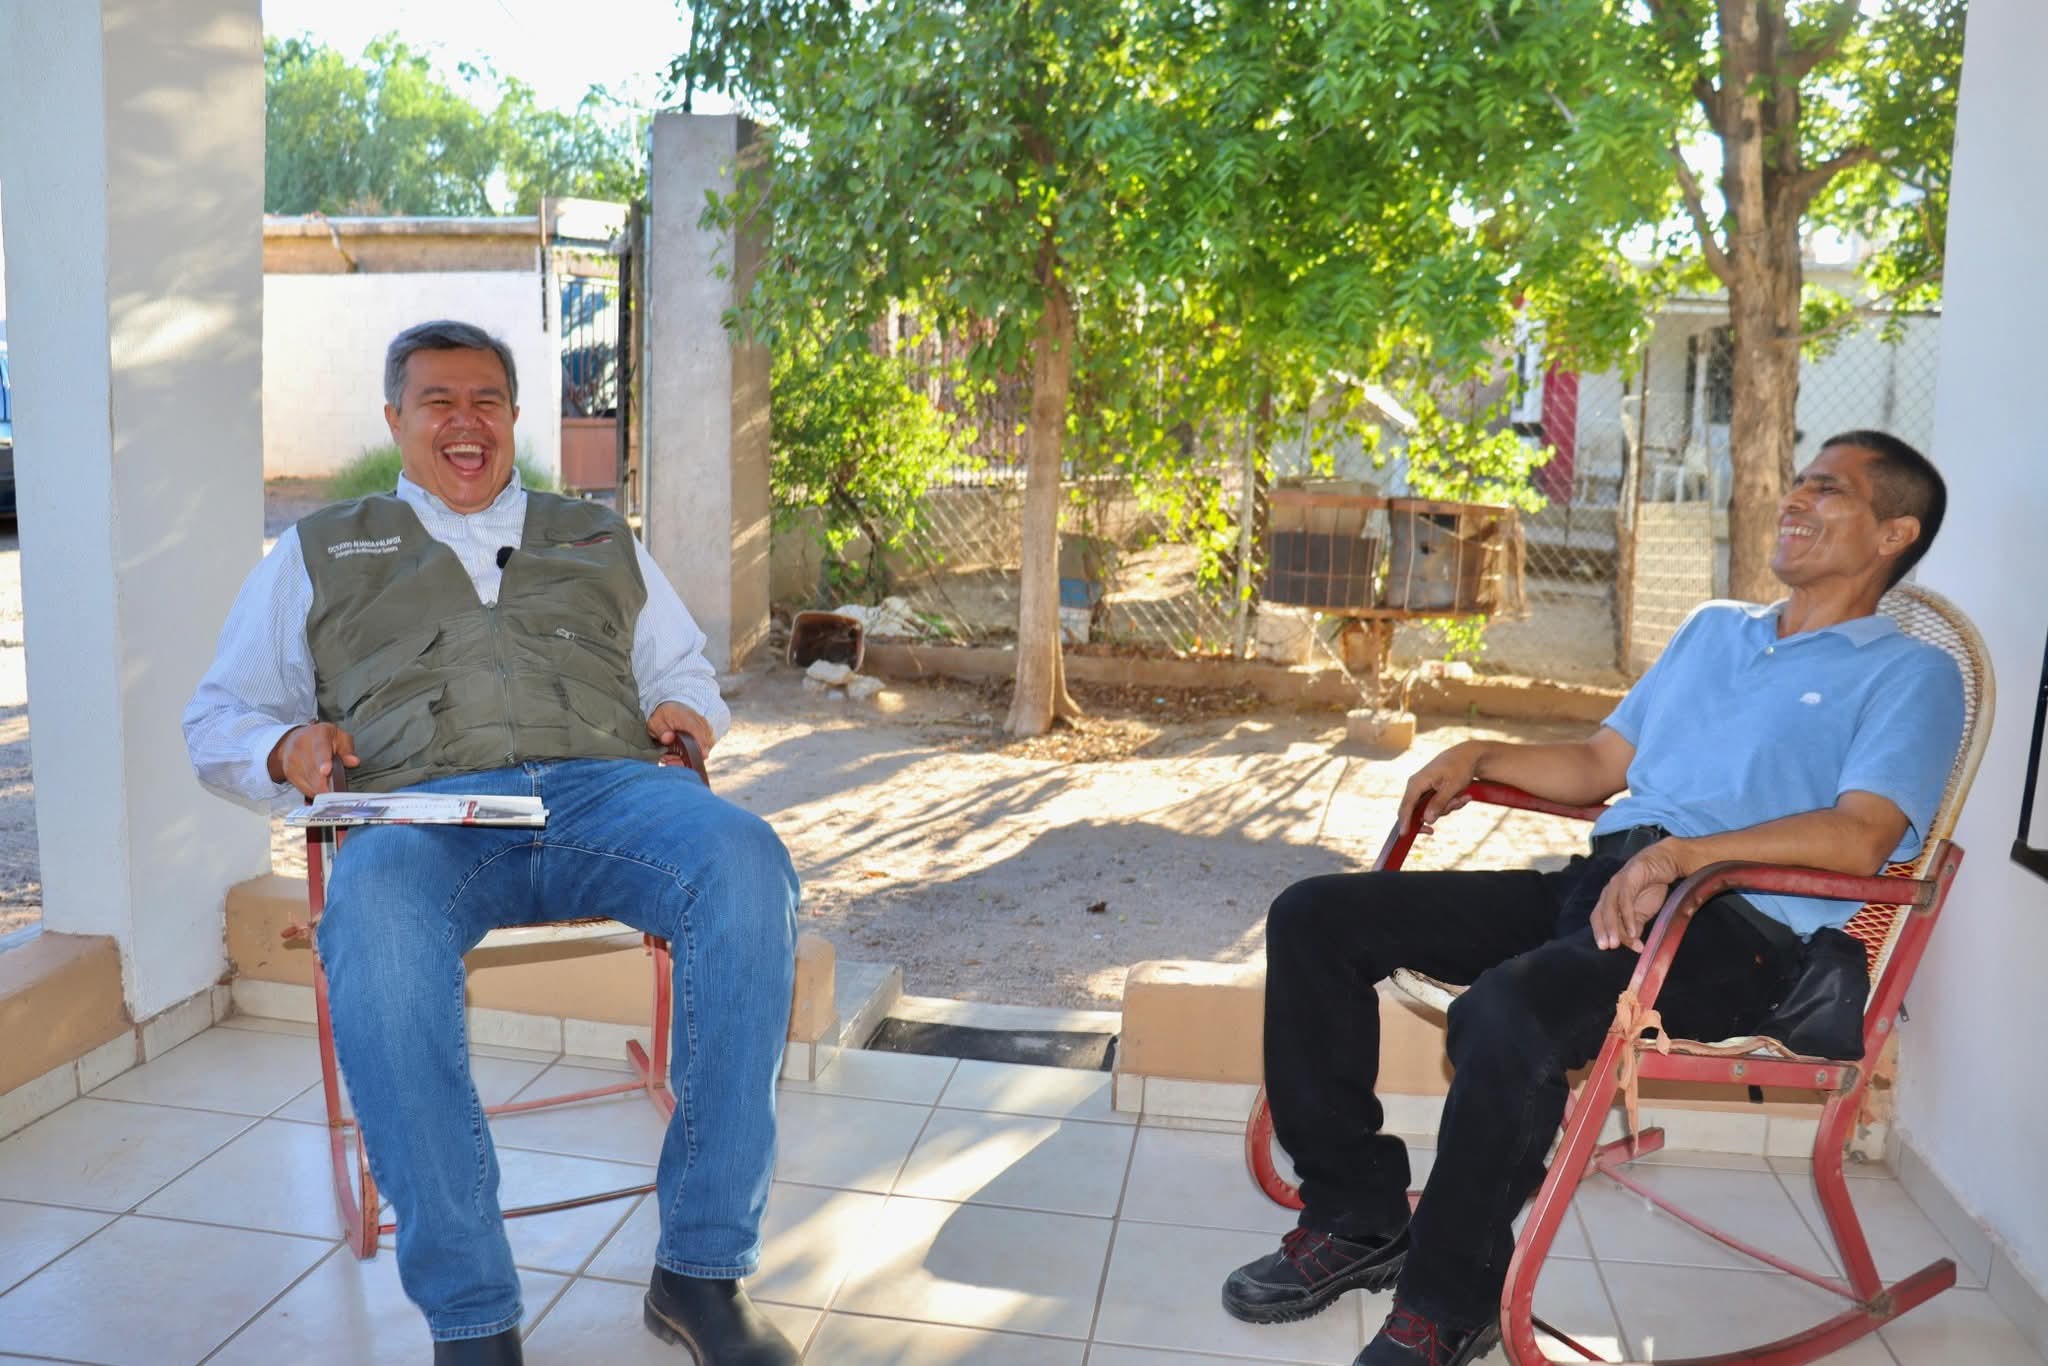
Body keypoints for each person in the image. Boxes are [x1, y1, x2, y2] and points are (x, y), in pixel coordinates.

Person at [1222, 431, 1966, 1366]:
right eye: (1798, 483)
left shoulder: (1911, 674)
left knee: (1508, 1016)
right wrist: (1480, 752)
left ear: (1896, 531)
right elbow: (1596, 768)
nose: (1795, 500)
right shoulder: (1713, 631)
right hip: (1609, 885)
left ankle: (1448, 1306)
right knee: (1317, 916)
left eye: (1831, 491)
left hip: (1735, 927)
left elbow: (1864, 834)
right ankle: (1358, 1216)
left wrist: (1687, 858)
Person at [184, 320, 802, 1366]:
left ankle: (698, 1274)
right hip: (424, 815)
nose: (463, 422)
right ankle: (473, 1320)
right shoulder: (318, 550)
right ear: (395, 420)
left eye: (485, 401)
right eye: (437, 401)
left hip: (604, 788)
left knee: (744, 861)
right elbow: (219, 719)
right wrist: (287, 745)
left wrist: (688, 717)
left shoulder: (598, 535)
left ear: (514, 419)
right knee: (372, 924)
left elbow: (681, 669)